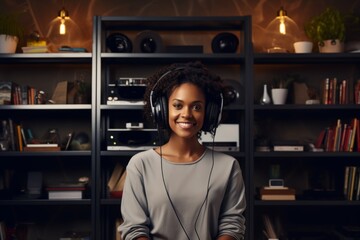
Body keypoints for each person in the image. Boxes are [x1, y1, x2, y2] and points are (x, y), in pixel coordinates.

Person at [119, 61, 246, 240]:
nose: (187, 114)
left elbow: (232, 225)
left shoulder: (228, 166)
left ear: (209, 113)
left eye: (196, 107)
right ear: (161, 110)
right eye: (178, 105)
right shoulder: (141, 164)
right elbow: (134, 229)